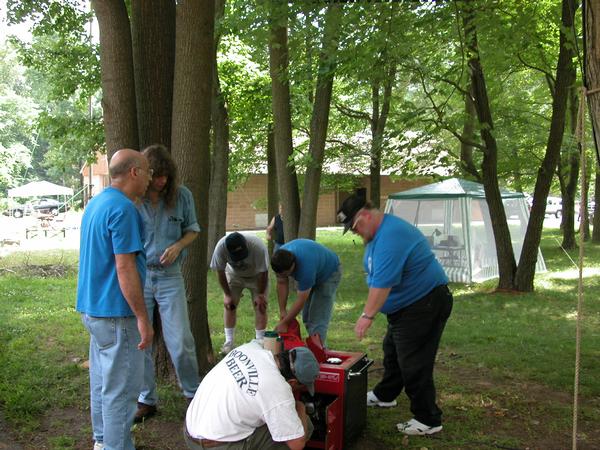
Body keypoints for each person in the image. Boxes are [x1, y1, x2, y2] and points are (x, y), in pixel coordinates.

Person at [337, 193, 453, 436]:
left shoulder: (391, 236)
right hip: (407, 308)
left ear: (365, 216)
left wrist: (367, 316)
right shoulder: (376, 235)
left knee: (414, 362)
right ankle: (385, 395)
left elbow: (382, 284)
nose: (355, 233)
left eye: (354, 227)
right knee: (392, 351)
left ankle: (428, 419)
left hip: (424, 304)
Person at [76, 148, 154, 450]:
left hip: (93, 309)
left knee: (102, 383)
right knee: (121, 392)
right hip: (117, 314)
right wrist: (142, 317)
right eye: (147, 172)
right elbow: (125, 267)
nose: (149, 178)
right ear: (134, 172)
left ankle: (102, 441)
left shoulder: (96, 203)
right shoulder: (124, 210)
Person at [135, 144, 201, 422]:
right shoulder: (133, 198)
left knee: (181, 339)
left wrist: (178, 246)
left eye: (166, 176)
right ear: (146, 173)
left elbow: (192, 230)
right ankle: (146, 399)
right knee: (141, 340)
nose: (162, 181)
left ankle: (193, 396)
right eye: (157, 175)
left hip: (170, 276)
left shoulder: (182, 195)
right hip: (139, 276)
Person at [184, 342, 318, 450]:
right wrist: (300, 407)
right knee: (303, 426)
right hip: (217, 446)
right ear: (293, 382)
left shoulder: (251, 348)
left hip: (190, 431)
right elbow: (297, 444)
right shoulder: (279, 389)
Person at [270, 239, 341, 346]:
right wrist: (283, 311)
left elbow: (301, 299)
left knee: (317, 319)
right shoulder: (279, 259)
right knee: (307, 316)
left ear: (293, 265)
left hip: (329, 273)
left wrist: (285, 323)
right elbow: (281, 283)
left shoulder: (305, 268)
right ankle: (314, 345)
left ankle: (319, 351)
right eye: (281, 275)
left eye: (286, 274)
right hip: (315, 265)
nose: (284, 277)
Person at [210, 232, 270, 354]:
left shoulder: (258, 247)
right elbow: (220, 272)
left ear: (246, 245)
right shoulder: (220, 248)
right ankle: (229, 343)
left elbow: (263, 273)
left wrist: (261, 294)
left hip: (257, 276)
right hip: (234, 276)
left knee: (260, 306)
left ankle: (260, 342)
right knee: (230, 305)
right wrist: (227, 295)